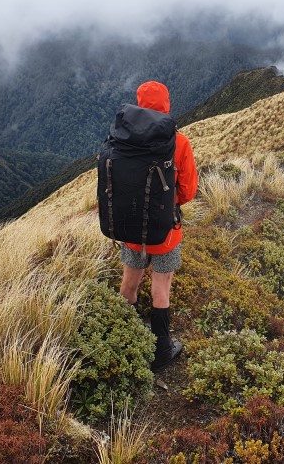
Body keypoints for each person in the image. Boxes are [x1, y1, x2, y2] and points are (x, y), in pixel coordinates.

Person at [119, 81, 198, 372]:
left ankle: (122, 338)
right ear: (167, 106)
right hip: (165, 231)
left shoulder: (122, 139)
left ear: (138, 105)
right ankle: (162, 350)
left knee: (129, 284)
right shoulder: (180, 143)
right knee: (160, 287)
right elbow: (188, 192)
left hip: (130, 229)